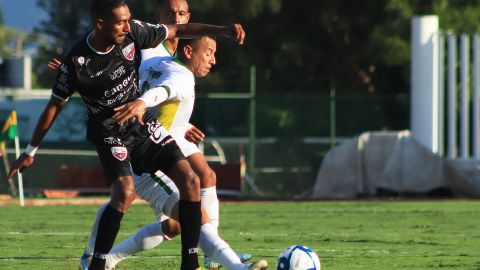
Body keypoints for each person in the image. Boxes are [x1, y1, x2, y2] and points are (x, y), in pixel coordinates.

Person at [7, 1, 245, 270]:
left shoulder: (134, 32)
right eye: (120, 22)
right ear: (100, 24)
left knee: (192, 180)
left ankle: (189, 264)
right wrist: (30, 152)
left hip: (141, 125)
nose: (126, 26)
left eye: (128, 19)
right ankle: (97, 262)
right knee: (124, 193)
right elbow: (52, 108)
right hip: (109, 132)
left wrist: (223, 30)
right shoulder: (76, 62)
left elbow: (179, 29)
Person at [93, 36, 268, 270]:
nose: (213, 60)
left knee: (178, 225)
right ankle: (236, 267)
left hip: (155, 149)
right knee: (195, 218)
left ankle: (109, 260)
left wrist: (182, 125)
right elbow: (164, 92)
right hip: (148, 163)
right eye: (208, 53)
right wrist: (143, 102)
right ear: (188, 51)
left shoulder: (154, 63)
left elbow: (155, 102)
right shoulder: (182, 75)